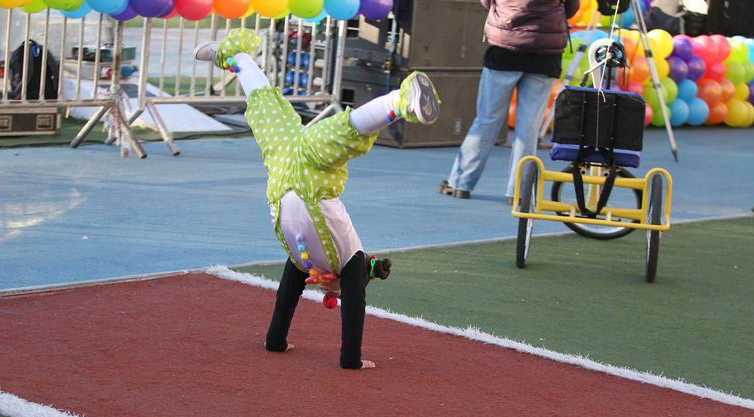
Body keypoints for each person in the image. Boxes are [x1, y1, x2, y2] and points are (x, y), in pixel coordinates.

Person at [195, 29, 440, 369]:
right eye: (336, 292)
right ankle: (400, 101)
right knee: (341, 131)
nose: (334, 293)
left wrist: (276, 341)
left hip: (285, 174)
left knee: (269, 108)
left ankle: (236, 55)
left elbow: (289, 298)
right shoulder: (351, 259)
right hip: (306, 177)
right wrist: (351, 360)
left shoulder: (303, 264)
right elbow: (355, 301)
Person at [438, 0, 580, 202]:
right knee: (529, 128)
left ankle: (461, 183)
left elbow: (486, 2)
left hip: (505, 47)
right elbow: (572, 9)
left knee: (487, 119)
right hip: (545, 54)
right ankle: (519, 192)